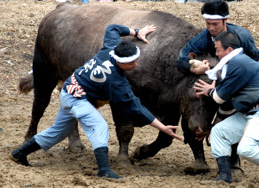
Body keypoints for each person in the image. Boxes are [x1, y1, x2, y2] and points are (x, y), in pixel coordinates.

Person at [9, 24, 183, 179]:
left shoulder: (109, 48)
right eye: (132, 62)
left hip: (69, 89)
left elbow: (112, 28)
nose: (136, 65)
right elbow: (136, 107)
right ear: (122, 63)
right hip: (77, 99)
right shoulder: (117, 83)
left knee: (58, 132)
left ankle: (19, 153)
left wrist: (137, 32)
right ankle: (104, 169)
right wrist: (162, 127)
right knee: (100, 126)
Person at [193, 31, 259, 183]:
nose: (216, 53)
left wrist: (209, 90)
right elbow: (224, 97)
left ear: (229, 50)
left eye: (218, 49)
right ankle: (225, 176)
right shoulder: (236, 62)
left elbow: (219, 98)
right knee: (219, 132)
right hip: (252, 112)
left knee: (245, 149)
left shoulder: (238, 63)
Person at [177, 0, 259, 171]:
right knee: (191, 107)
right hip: (211, 82)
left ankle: (233, 163)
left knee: (232, 118)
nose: (211, 28)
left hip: (236, 83)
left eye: (215, 24)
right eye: (208, 23)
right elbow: (182, 59)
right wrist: (196, 69)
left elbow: (254, 59)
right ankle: (199, 159)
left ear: (225, 20)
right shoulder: (203, 37)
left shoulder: (242, 36)